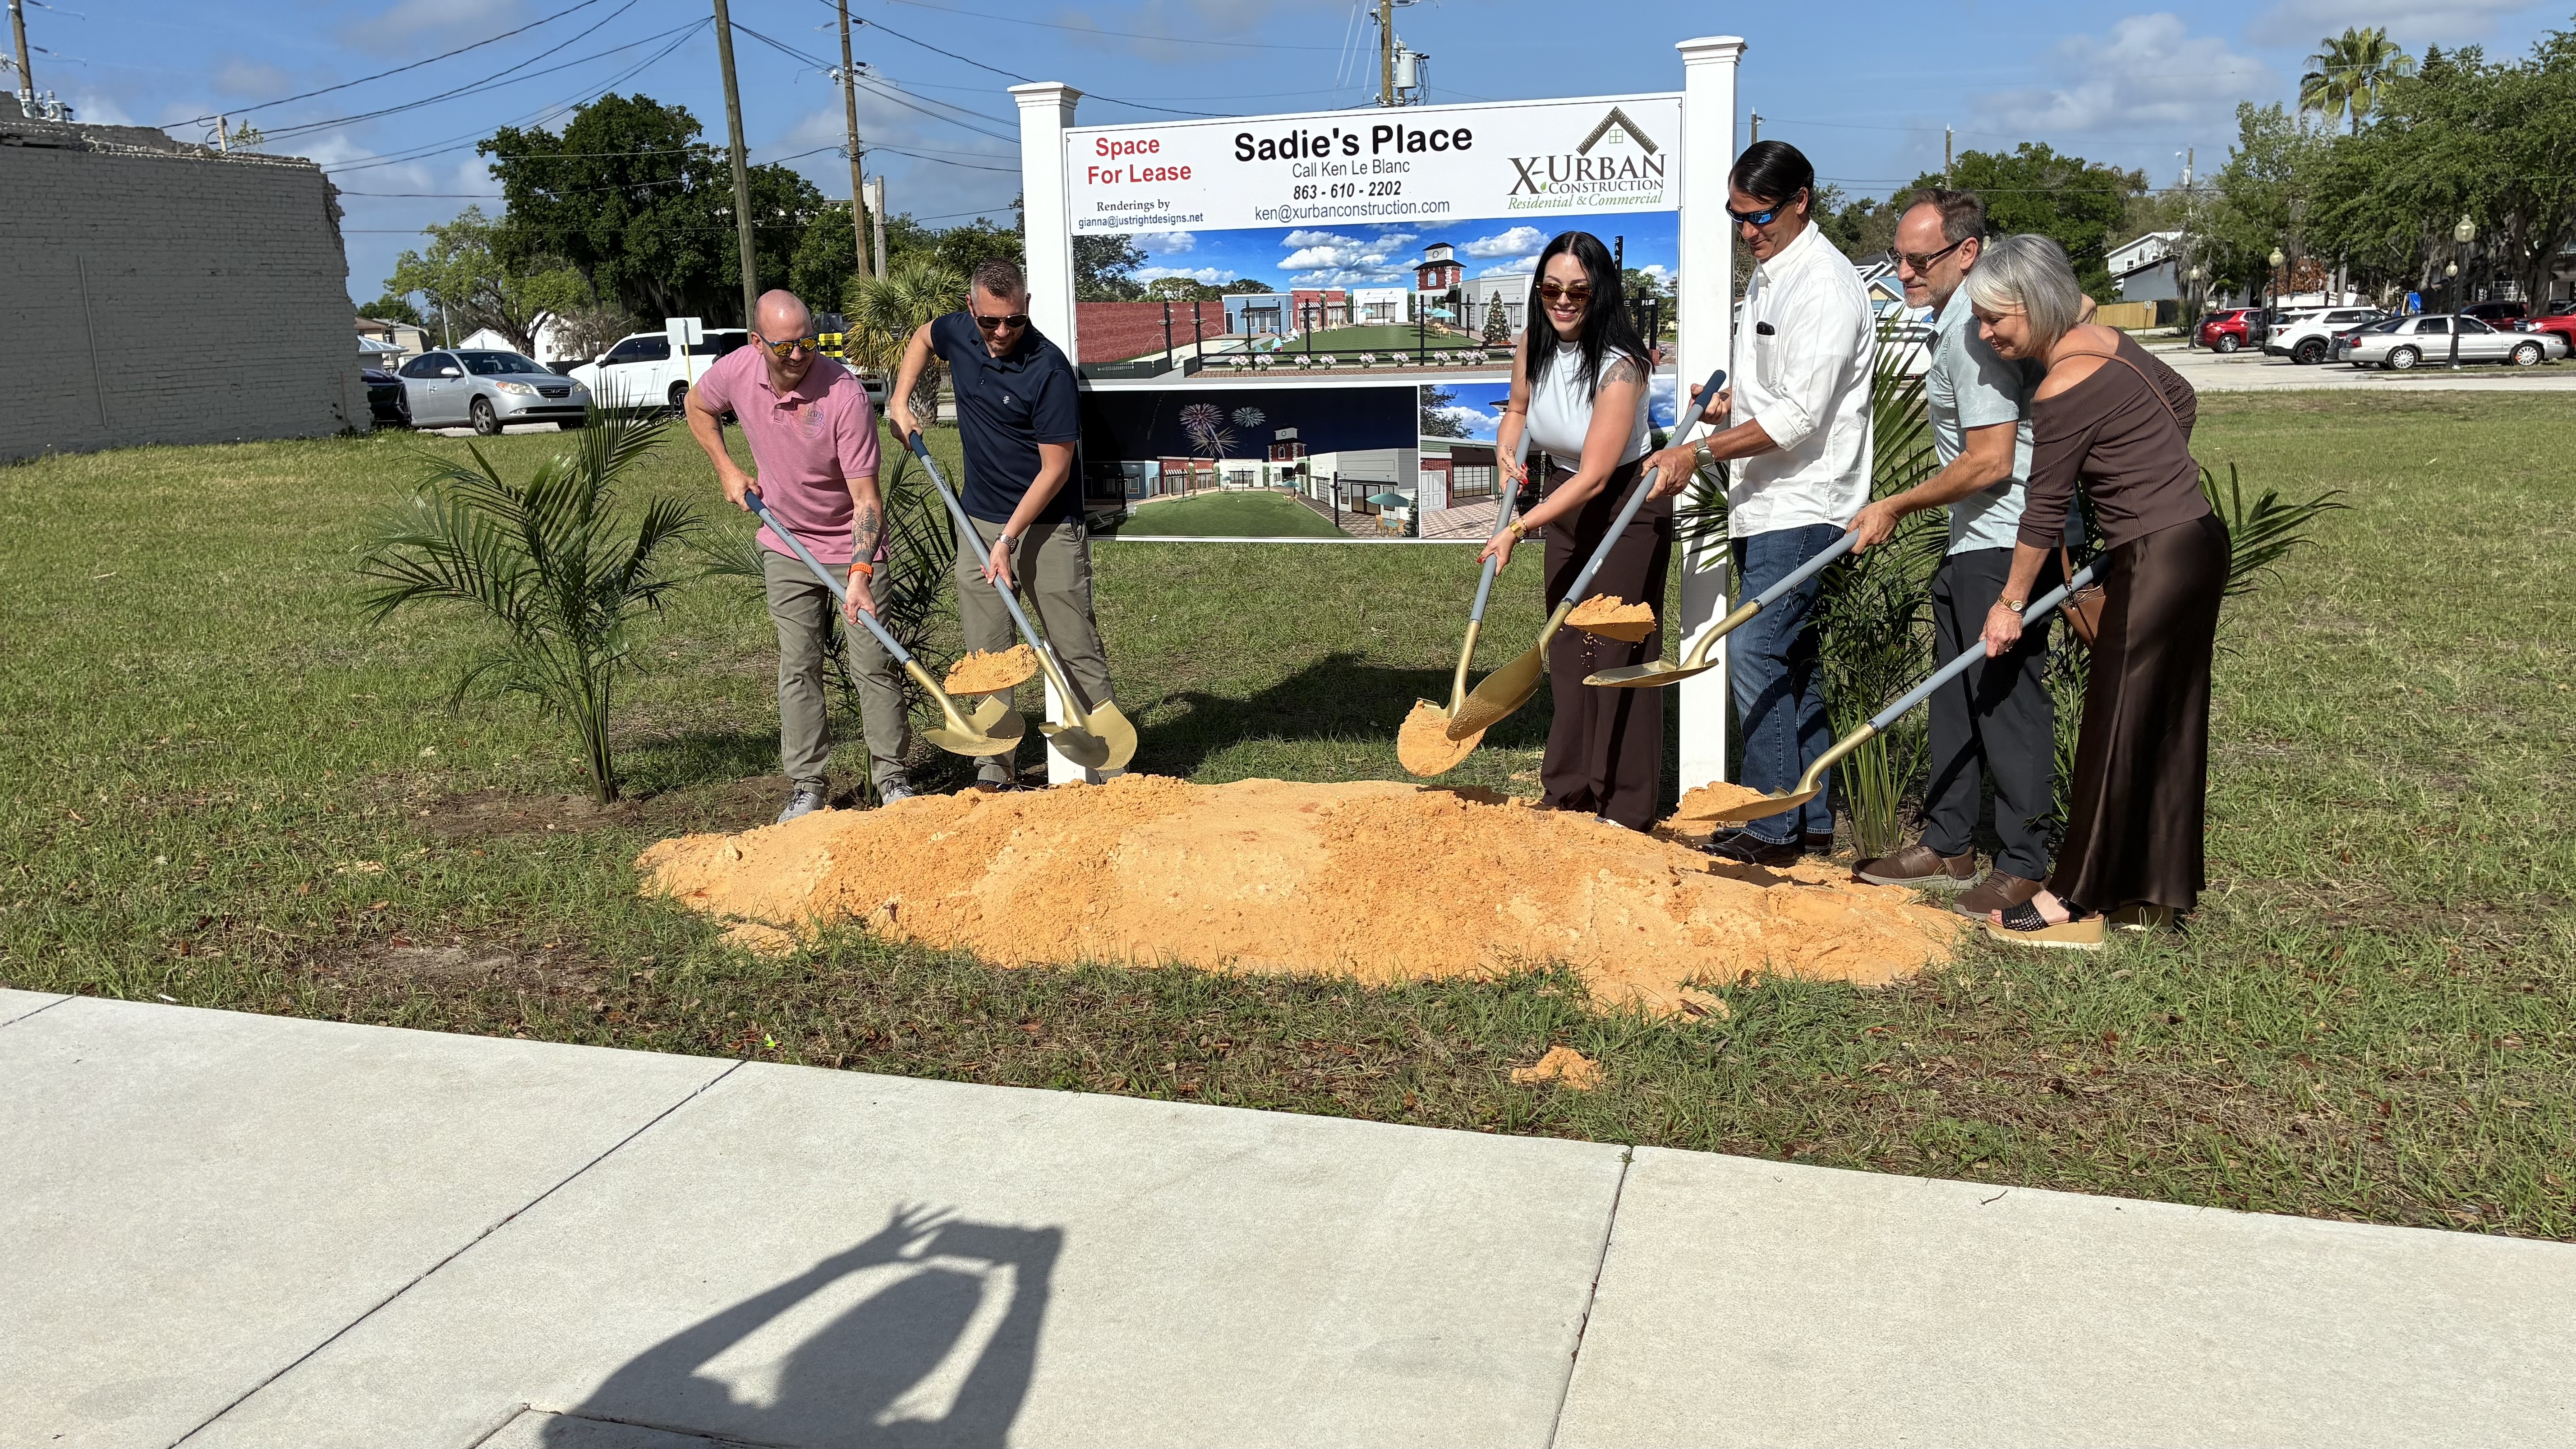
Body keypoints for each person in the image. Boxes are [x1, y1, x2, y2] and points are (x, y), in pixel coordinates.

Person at [1966, 235, 2230, 948]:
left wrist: (2009, 604)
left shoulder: (2059, 387)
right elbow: (2182, 399)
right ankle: (2156, 895)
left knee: (2114, 726)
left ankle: (2071, 896)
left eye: (1997, 320)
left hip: (2156, 552)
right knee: (2168, 723)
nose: (1988, 336)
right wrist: (2152, 465)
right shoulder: (2108, 342)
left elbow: (2043, 510)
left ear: (2037, 303)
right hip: (2200, 538)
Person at [1647, 140, 1875, 865]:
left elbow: (1800, 419)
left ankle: (1770, 830)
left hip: (1808, 505)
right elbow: (1772, 396)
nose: (1748, 230)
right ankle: (1808, 819)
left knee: (1754, 647)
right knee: (1791, 659)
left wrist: (1699, 451)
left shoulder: (1827, 289)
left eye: (1761, 215)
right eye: (1737, 216)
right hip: (1763, 501)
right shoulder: (1770, 276)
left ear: (1802, 200)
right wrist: (1725, 408)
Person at [1845, 189, 2062, 919]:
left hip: (2005, 540)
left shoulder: (1976, 328)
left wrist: (1897, 504)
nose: (1902, 270)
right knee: (1955, 699)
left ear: (1965, 252)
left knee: (2006, 704)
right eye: (1895, 257)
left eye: (1916, 259)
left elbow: (1992, 459)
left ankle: (2024, 862)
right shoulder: (1957, 322)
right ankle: (1947, 840)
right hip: (1973, 536)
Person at [686, 288, 913, 824]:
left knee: (873, 665)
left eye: (807, 343)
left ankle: (893, 780)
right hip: (786, 543)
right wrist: (726, 467)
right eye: (785, 347)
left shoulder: (844, 394)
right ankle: (808, 786)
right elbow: (698, 406)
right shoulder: (737, 370)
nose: (798, 355)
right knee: (799, 665)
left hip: (851, 541)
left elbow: (866, 501)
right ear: (757, 342)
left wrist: (860, 573)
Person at [889, 258, 1109, 788]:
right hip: (979, 522)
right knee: (988, 654)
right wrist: (899, 401)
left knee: (1072, 644)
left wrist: (1009, 540)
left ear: (1026, 307)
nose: (1003, 332)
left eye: (1013, 320)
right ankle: (995, 770)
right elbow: (923, 337)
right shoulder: (959, 332)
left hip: (1045, 527)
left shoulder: (1049, 370)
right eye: (991, 321)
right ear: (972, 311)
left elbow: (1056, 469)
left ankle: (1110, 768)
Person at [1476, 231, 1661, 828]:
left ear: (1599, 292)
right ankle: (1568, 793)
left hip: (1624, 504)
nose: (1562, 301)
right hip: (1566, 496)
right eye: (1551, 289)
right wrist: (1507, 448)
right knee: (1565, 645)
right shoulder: (1535, 343)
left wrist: (1517, 528)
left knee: (1615, 649)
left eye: (1577, 292)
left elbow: (1598, 472)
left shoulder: (1621, 367)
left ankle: (1625, 806)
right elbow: (1520, 410)